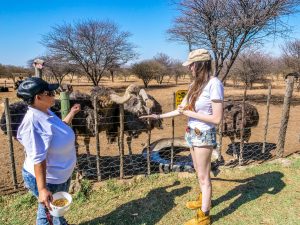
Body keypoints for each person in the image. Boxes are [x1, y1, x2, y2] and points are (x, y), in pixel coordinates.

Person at [140, 49, 224, 225]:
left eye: (191, 65)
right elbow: (181, 110)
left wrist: (190, 112)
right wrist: (158, 117)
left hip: (204, 134)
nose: (189, 68)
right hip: (191, 133)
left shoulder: (214, 84)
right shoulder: (195, 85)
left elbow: (216, 118)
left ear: (200, 64)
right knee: (199, 172)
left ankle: (204, 217)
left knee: (203, 176)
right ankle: (203, 201)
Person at [16, 77, 81, 225]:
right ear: (38, 97)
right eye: (49, 93)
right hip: (48, 180)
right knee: (46, 215)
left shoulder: (45, 112)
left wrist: (71, 113)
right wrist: (43, 189)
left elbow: (58, 129)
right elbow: (38, 159)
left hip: (58, 176)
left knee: (56, 209)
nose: (54, 95)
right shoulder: (33, 123)